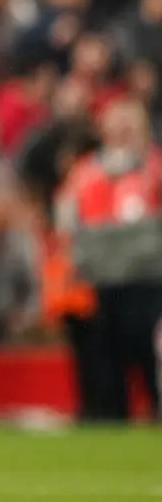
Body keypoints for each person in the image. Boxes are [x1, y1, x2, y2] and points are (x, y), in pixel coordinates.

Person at [57, 96, 162, 420]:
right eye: (116, 124)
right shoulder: (86, 172)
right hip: (99, 284)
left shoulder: (155, 167)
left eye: (129, 124)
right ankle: (109, 417)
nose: (122, 131)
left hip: (148, 282)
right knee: (105, 363)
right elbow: (66, 220)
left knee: (151, 354)